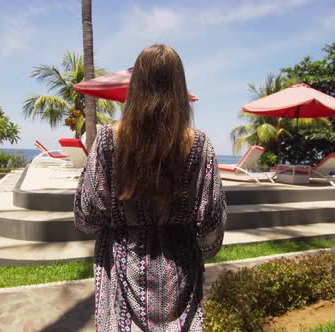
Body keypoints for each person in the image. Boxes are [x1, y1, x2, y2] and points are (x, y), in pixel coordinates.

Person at [74, 44, 227, 332]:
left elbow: (87, 215)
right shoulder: (200, 144)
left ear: (136, 86)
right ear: (179, 86)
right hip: (179, 270)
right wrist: (197, 246)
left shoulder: (108, 138)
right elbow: (212, 227)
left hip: (121, 266)